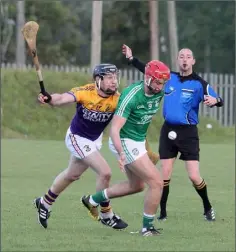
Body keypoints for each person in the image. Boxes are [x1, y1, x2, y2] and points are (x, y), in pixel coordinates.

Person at [122, 44, 224, 222]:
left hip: (188, 133)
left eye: (188, 56)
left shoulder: (199, 84)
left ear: (193, 61)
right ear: (178, 60)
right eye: (181, 56)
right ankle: (162, 213)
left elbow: (218, 100)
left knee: (193, 175)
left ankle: (207, 207)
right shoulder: (169, 78)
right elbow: (148, 71)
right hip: (168, 130)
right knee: (164, 174)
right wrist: (131, 59)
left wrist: (215, 100)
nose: (184, 59)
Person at [81, 60, 171, 236]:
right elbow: (114, 129)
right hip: (124, 141)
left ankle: (92, 200)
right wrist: (122, 153)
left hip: (137, 141)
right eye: (157, 82)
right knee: (156, 182)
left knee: (137, 186)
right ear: (147, 79)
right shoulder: (131, 96)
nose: (160, 86)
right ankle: (147, 228)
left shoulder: (160, 90)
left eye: (163, 83)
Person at [34, 63, 128, 230]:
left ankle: (44, 202)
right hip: (77, 138)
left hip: (94, 140)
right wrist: (49, 98)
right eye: (109, 78)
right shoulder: (85, 92)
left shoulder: (117, 99)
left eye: (115, 77)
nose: (114, 81)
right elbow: (62, 98)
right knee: (105, 172)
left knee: (72, 175)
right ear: (98, 80)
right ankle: (107, 214)